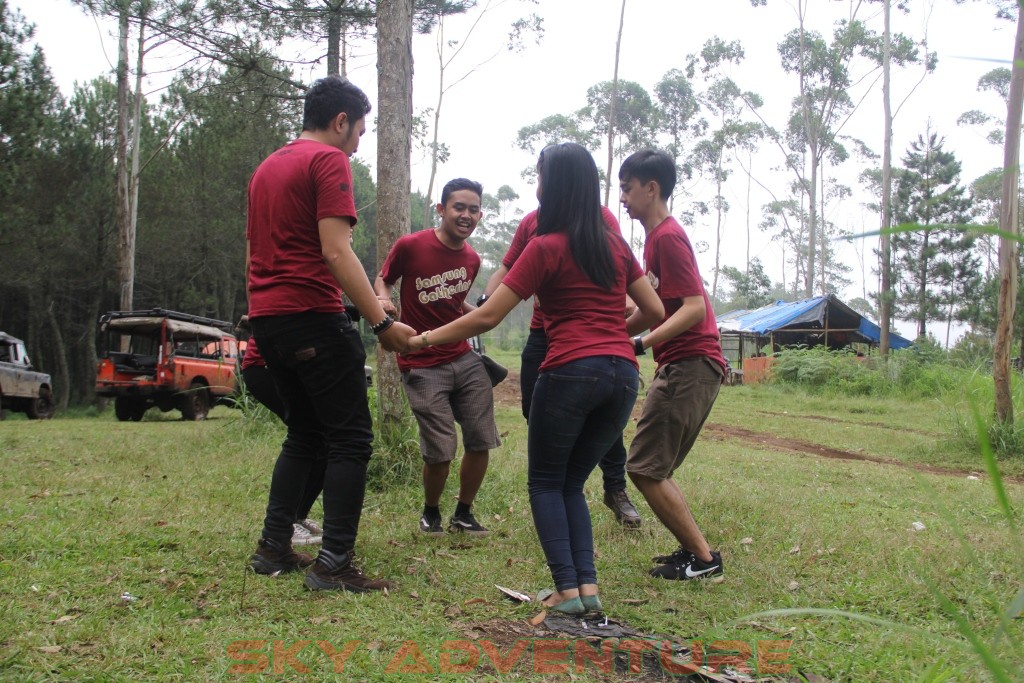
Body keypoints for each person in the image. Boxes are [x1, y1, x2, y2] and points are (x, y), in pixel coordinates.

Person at [404, 143, 663, 614]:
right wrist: (608, 337)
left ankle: (567, 590)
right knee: (571, 484)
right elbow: (655, 310)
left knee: (545, 483)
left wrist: (421, 341)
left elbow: (487, 317)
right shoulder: (614, 244)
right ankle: (586, 593)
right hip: (622, 376)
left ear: (552, 185)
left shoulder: (545, 247)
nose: (537, 184)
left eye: (540, 176)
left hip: (568, 373)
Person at [245, 75, 415, 592]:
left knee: (306, 433)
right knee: (349, 439)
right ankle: (335, 563)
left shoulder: (268, 166)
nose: (359, 142)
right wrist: (382, 323)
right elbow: (335, 251)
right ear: (340, 121)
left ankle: (273, 548)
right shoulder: (328, 160)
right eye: (359, 131)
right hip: (312, 317)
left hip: (267, 320)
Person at [481, 207, 644, 529]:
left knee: (600, 411)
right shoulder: (531, 222)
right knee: (535, 408)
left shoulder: (601, 217)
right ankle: (562, 486)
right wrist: (488, 298)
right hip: (543, 332)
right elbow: (506, 267)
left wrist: (609, 327)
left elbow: (620, 270)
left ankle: (615, 489)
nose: (542, 184)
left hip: (589, 335)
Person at [619, 149, 727, 581]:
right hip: (685, 365)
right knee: (652, 466)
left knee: (645, 467)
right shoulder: (653, 238)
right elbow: (654, 304)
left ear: (652, 188)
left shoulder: (666, 236)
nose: (623, 198)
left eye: (627, 188)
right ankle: (694, 553)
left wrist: (641, 343)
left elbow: (694, 309)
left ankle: (704, 561)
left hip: (690, 363)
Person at [375, 178, 500, 537]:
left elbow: (452, 300)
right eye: (459, 207)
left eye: (473, 209)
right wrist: (383, 303)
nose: (466, 215)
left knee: (480, 438)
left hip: (464, 359)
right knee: (441, 449)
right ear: (441, 209)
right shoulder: (412, 246)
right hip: (421, 361)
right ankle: (431, 513)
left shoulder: (472, 259)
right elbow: (383, 280)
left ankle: (464, 513)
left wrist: (478, 314)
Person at [238, 328, 325, 547]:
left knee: (326, 439)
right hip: (266, 367)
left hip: (295, 364)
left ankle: (296, 517)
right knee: (307, 435)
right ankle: (284, 525)